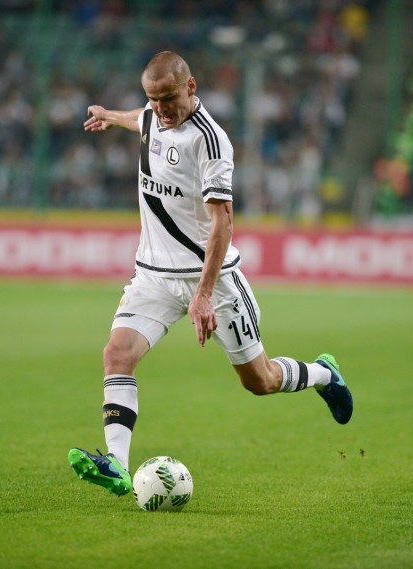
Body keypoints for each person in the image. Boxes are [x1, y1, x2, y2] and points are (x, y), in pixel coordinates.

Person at [67, 51, 353, 497]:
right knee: (117, 355)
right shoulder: (151, 116)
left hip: (213, 280)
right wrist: (109, 116)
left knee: (259, 381)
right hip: (154, 276)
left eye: (167, 98)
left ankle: (323, 373)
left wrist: (202, 294)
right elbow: (139, 119)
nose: (160, 108)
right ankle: (117, 467)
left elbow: (223, 222)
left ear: (191, 87)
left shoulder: (211, 141)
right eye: (152, 99)